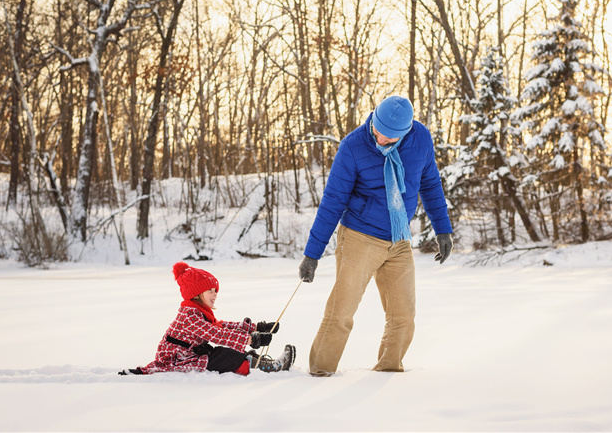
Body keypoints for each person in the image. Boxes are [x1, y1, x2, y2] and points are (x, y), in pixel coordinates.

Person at [298, 95, 453, 377]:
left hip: (399, 238)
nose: (381, 139)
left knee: (403, 316)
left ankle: (388, 372)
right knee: (341, 313)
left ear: (406, 132)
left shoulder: (421, 139)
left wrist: (443, 229)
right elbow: (332, 202)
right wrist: (312, 253)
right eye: (378, 132)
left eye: (390, 138)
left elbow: (430, 184)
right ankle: (319, 372)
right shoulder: (353, 146)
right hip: (360, 237)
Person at [119, 262, 295, 376]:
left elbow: (220, 326)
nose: (215, 294)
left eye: (215, 291)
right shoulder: (189, 315)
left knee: (226, 352)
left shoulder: (199, 311)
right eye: (210, 291)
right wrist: (251, 339)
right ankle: (264, 369)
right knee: (225, 355)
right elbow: (214, 333)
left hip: (190, 354)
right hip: (177, 359)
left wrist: (256, 327)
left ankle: (265, 363)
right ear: (196, 293)